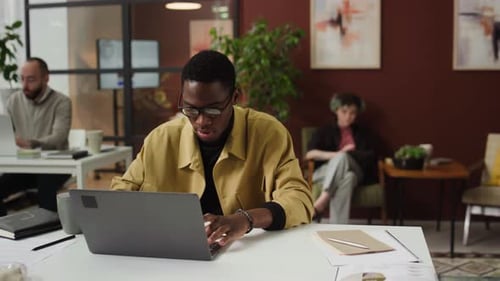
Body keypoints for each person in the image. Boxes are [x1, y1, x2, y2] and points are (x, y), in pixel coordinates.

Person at [111, 50, 313, 247]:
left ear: (235, 98)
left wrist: (245, 220)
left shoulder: (268, 133)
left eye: (212, 110)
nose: (201, 121)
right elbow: (121, 193)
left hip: (247, 252)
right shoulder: (161, 139)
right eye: (190, 109)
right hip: (171, 251)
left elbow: (299, 200)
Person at [0, 57, 72, 216]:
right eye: (22, 79)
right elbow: (6, 134)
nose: (25, 86)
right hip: (25, 166)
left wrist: (30, 143)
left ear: (46, 78)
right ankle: (5, 231)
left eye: (31, 80)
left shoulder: (62, 102)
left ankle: (51, 233)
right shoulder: (13, 101)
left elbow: (59, 137)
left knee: (46, 189)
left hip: (56, 166)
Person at [305, 92, 375, 224]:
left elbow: (370, 156)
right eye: (344, 111)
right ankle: (337, 227)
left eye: (353, 113)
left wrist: (348, 155)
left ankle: (322, 200)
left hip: (356, 170)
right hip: (323, 172)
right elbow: (310, 154)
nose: (348, 116)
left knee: (349, 172)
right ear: (336, 111)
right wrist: (338, 155)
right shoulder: (324, 130)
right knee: (347, 174)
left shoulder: (363, 133)